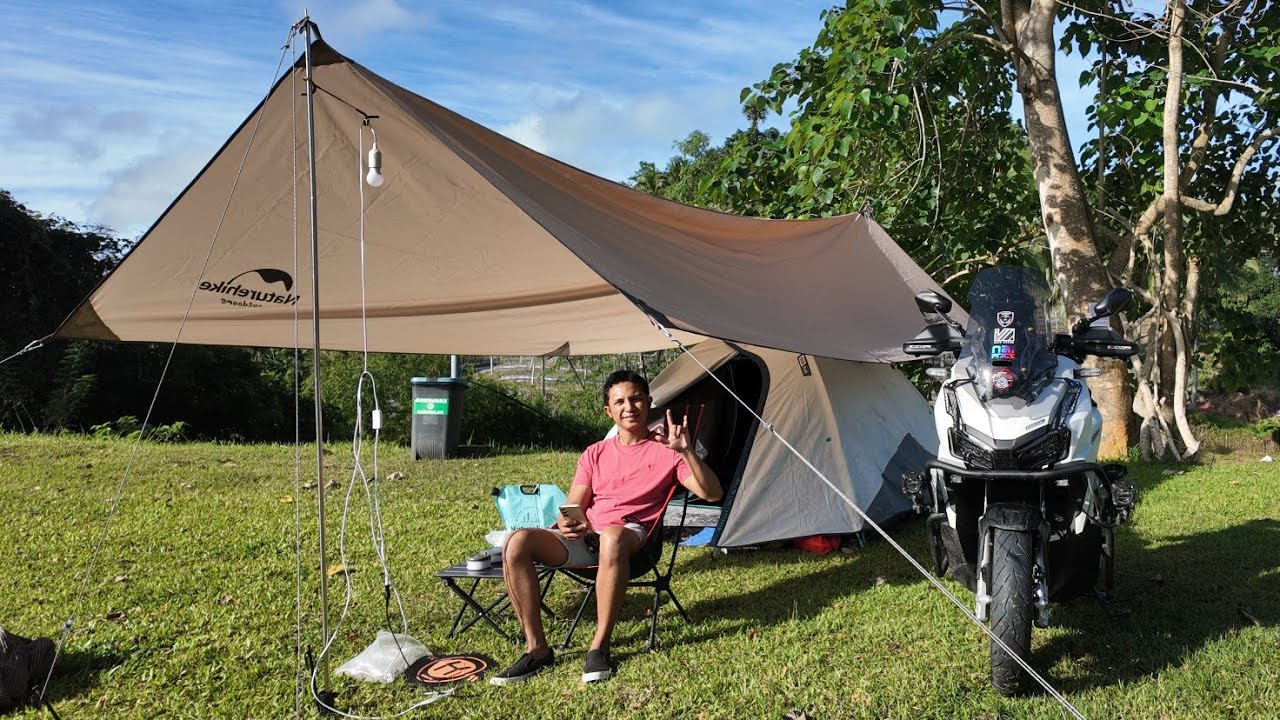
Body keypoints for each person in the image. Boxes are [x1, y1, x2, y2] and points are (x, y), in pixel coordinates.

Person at [490, 369, 723, 685]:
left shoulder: (668, 451)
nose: (629, 407)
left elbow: (713, 493)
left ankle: (599, 647)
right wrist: (568, 524)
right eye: (620, 401)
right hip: (588, 539)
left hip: (634, 541)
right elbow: (574, 505)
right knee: (516, 541)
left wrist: (686, 452)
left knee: (612, 536)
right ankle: (537, 650)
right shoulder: (594, 453)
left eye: (636, 398)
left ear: (649, 402)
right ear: (608, 410)